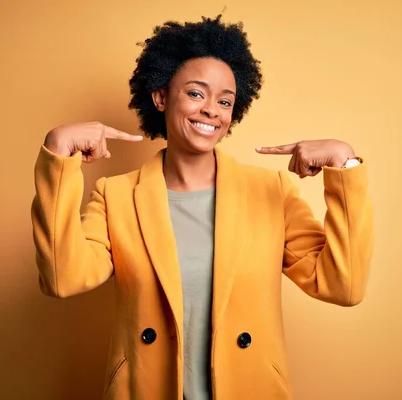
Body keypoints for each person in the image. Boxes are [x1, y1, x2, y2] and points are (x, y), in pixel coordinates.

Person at [31, 15, 373, 400]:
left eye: (225, 100)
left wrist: (344, 166)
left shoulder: (271, 191)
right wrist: (58, 155)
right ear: (161, 97)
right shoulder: (116, 196)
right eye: (196, 93)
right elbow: (63, 278)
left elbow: (343, 286)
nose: (212, 110)